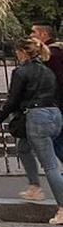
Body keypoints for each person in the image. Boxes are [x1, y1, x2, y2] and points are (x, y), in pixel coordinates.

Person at [0, 37, 63, 225]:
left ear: (21, 52)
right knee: (23, 147)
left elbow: (12, 101)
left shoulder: (21, 72)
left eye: (17, 52)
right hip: (55, 114)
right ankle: (33, 186)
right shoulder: (47, 71)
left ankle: (62, 207)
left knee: (51, 165)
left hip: (37, 117)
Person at [31, 22, 63, 161]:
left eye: (34, 33)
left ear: (43, 35)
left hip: (57, 102)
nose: (31, 36)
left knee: (57, 140)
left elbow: (58, 79)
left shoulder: (51, 54)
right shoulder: (58, 49)